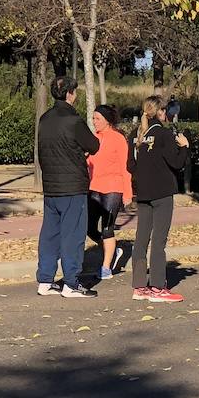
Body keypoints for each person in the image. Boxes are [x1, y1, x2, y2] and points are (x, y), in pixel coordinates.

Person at [36, 75, 100, 298]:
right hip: (72, 185)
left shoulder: (45, 119)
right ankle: (71, 283)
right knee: (73, 235)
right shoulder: (73, 120)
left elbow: (43, 151)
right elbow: (94, 144)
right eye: (75, 92)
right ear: (70, 94)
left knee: (50, 234)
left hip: (51, 184)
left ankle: (45, 280)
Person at [128, 96, 190, 302]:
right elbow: (176, 163)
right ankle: (157, 286)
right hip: (162, 193)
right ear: (162, 112)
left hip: (143, 193)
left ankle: (139, 286)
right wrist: (185, 146)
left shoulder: (136, 135)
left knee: (141, 239)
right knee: (159, 240)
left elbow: (131, 166)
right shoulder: (163, 134)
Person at [87, 104, 133, 280]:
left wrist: (127, 193)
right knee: (89, 228)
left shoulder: (118, 139)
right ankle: (113, 249)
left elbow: (125, 168)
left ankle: (106, 267)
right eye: (93, 118)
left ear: (107, 120)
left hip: (113, 188)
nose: (94, 121)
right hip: (93, 188)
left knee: (107, 229)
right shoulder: (93, 138)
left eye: (97, 118)